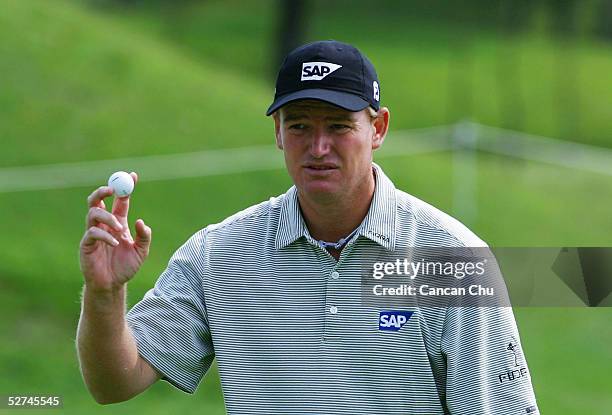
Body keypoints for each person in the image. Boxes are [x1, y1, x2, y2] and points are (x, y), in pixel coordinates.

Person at [77, 40, 540, 414]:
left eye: (339, 127)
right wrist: (104, 294)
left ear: (377, 129)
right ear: (278, 132)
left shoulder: (453, 260)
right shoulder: (217, 255)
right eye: (299, 126)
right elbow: (115, 381)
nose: (318, 147)